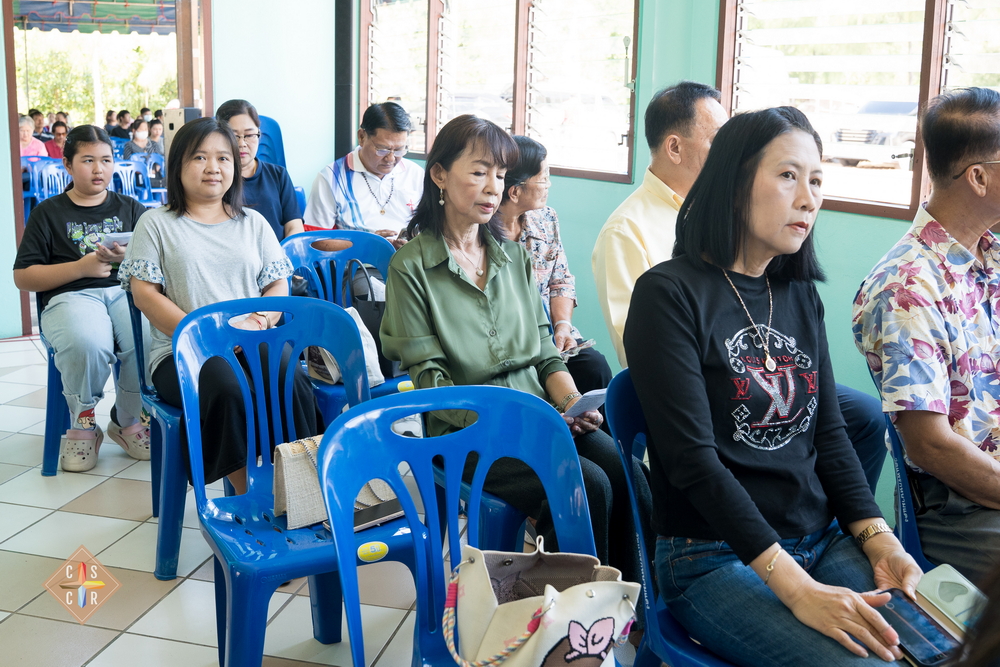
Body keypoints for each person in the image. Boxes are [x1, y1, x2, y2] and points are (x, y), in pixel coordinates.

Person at [625, 106, 921, 667]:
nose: (809, 199)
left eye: (816, 181)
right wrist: (798, 590)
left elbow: (828, 435)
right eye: (788, 175)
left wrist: (880, 541)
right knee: (865, 664)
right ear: (735, 182)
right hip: (711, 556)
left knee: (934, 643)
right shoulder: (668, 294)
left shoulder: (798, 294)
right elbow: (693, 463)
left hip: (820, 540)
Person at [381, 114, 652, 615]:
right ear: (439, 175)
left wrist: (572, 403)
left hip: (543, 417)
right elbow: (433, 383)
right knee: (587, 484)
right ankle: (569, 623)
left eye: (501, 175)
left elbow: (546, 352)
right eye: (479, 171)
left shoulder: (515, 260)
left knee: (629, 474)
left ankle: (630, 611)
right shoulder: (411, 267)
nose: (493, 187)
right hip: (466, 434)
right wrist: (531, 420)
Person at [593, 81, 888, 496]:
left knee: (863, 417)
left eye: (816, 181)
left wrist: (868, 526)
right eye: (719, 138)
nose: (807, 199)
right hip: (703, 384)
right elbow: (641, 352)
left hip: (764, 370)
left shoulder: (789, 277)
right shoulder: (629, 231)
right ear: (675, 148)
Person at [119, 117, 319, 494]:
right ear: (178, 165)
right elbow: (145, 294)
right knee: (228, 389)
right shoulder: (155, 223)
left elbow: (277, 283)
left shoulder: (253, 222)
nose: (213, 167)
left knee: (290, 378)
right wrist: (206, 336)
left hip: (253, 338)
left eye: (223, 158)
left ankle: (301, 491)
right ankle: (253, 498)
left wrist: (259, 321)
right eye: (200, 157)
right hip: (183, 350)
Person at [854, 87, 1000, 587]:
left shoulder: (991, 254)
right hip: (962, 509)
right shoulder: (906, 289)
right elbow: (931, 447)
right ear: (978, 177)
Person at [13, 125, 150, 472]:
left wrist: (128, 258)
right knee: (87, 342)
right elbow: (23, 276)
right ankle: (83, 422)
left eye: (106, 160)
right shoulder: (48, 213)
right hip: (70, 296)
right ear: (68, 165)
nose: (98, 169)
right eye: (88, 160)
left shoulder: (132, 208)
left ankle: (127, 418)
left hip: (124, 292)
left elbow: (156, 262)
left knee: (150, 337)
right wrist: (81, 267)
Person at [498, 134, 613, 403]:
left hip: (552, 339)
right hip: (510, 344)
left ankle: (594, 429)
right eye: (543, 178)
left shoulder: (546, 218)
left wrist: (562, 327)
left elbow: (560, 281)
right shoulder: (478, 233)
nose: (549, 184)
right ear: (515, 191)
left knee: (595, 367)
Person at [304, 101, 422, 247]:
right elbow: (315, 242)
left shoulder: (415, 174)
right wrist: (368, 245)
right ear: (361, 137)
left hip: (409, 257)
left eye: (399, 150)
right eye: (382, 150)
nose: (391, 159)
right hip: (358, 260)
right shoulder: (331, 178)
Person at [215, 99, 303, 239]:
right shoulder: (215, 178)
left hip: (279, 250)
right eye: (233, 136)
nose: (242, 143)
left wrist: (281, 251)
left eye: (249, 135)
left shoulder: (279, 175)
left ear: (259, 135)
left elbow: (294, 226)